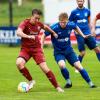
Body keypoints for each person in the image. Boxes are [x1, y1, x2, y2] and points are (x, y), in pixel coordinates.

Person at [41, 12, 96, 88]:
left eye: (64, 22)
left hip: (69, 50)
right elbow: (43, 35)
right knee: (62, 65)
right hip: (58, 52)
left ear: (67, 21)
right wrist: (41, 47)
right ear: (59, 21)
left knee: (79, 66)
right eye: (61, 22)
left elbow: (76, 27)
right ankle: (68, 82)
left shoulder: (70, 24)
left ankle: (91, 84)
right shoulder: (54, 27)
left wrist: (83, 35)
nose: (63, 24)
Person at [16, 9, 64, 92]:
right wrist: (28, 36)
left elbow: (45, 27)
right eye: (35, 18)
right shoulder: (25, 23)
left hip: (36, 49)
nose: (37, 20)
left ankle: (57, 87)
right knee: (19, 63)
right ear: (32, 16)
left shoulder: (39, 23)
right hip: (26, 49)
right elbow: (18, 32)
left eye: (39, 18)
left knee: (45, 68)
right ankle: (31, 81)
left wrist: (53, 32)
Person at [69, 0, 100, 65]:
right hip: (79, 34)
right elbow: (70, 23)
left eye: (81, 1)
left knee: (97, 49)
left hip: (88, 33)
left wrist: (92, 30)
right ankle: (77, 67)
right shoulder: (73, 12)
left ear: (83, 1)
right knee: (82, 53)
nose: (80, 2)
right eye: (78, 1)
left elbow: (88, 22)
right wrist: (75, 30)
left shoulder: (87, 11)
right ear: (76, 2)